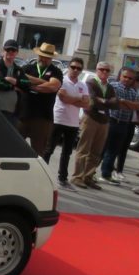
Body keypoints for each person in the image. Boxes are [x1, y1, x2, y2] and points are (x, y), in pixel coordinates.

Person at [71, 61, 120, 190]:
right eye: (102, 69)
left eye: (107, 70)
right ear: (97, 70)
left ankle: (88, 176)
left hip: (104, 120)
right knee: (83, 149)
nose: (104, 72)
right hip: (90, 117)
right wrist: (106, 101)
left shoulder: (110, 87)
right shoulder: (91, 83)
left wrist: (104, 101)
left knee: (96, 151)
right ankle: (77, 177)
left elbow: (116, 103)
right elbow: (92, 101)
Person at [45, 57, 89, 191]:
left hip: (73, 123)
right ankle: (44, 175)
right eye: (73, 67)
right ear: (69, 67)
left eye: (78, 68)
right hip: (58, 119)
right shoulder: (62, 80)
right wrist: (78, 99)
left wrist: (72, 99)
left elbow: (86, 103)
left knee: (67, 153)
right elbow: (63, 98)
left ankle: (62, 178)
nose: (75, 70)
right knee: (49, 149)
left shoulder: (83, 85)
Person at [19, 43, 64, 156]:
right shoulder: (28, 67)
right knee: (15, 147)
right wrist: (44, 83)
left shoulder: (56, 71)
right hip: (22, 114)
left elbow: (53, 86)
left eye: (47, 57)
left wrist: (30, 85)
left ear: (51, 58)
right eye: (41, 55)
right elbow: (19, 80)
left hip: (43, 117)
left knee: (38, 152)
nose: (43, 59)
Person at [99, 68, 139, 184]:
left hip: (124, 124)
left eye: (130, 78)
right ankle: (90, 172)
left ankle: (106, 174)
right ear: (120, 76)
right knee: (102, 149)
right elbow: (113, 104)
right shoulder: (112, 86)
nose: (127, 80)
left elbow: (137, 106)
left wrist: (124, 102)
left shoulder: (133, 92)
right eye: (125, 77)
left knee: (114, 151)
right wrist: (126, 105)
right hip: (111, 121)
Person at [0, 40, 30, 127]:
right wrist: (13, 87)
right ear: (3, 51)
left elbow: (27, 84)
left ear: (17, 53)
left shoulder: (18, 69)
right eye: (8, 50)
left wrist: (14, 81)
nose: (10, 52)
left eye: (13, 50)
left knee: (7, 139)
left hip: (13, 112)